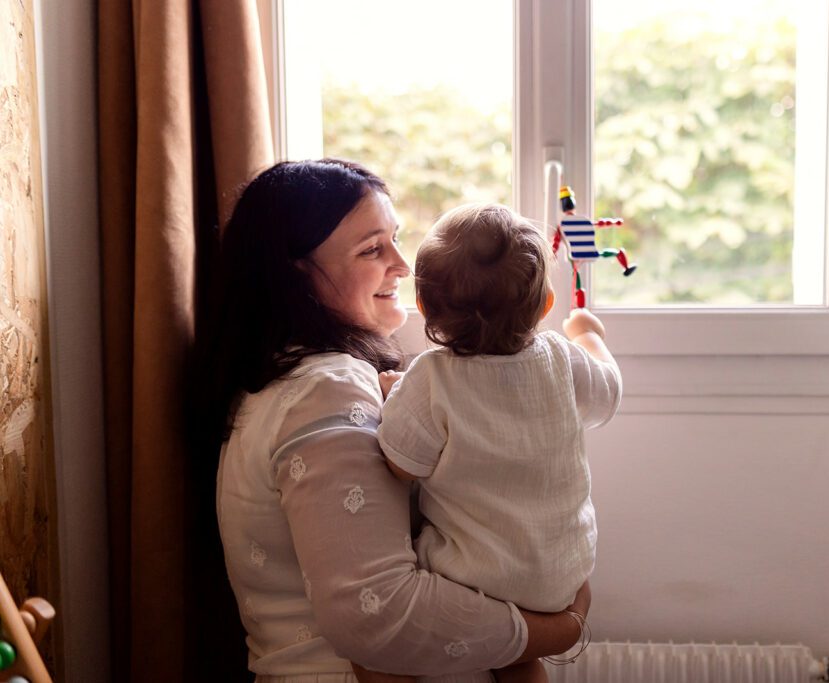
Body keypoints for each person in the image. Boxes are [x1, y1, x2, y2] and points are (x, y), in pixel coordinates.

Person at [204, 160, 590, 683]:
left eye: (395, 239)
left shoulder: (296, 378)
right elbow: (379, 613)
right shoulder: (326, 389)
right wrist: (561, 627)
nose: (404, 265)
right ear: (296, 273)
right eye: (372, 249)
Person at [372, 204, 622, 683]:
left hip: (474, 578)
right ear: (546, 306)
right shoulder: (559, 357)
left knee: (381, 626)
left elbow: (402, 464)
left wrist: (392, 395)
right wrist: (588, 334)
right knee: (520, 658)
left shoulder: (430, 378)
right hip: (561, 575)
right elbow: (607, 393)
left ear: (424, 308)